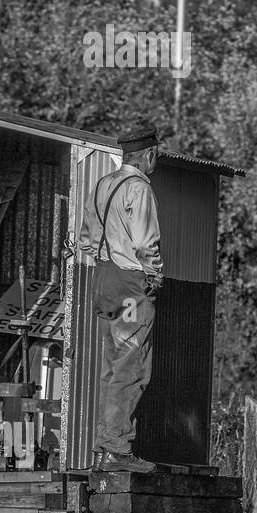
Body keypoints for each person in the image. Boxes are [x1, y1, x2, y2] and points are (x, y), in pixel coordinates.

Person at [77, 127, 165, 473]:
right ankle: (116, 449)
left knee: (113, 364)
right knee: (133, 366)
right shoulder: (138, 188)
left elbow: (86, 239)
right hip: (131, 282)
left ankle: (105, 446)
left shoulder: (101, 185)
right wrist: (153, 274)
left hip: (104, 279)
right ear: (149, 155)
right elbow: (146, 242)